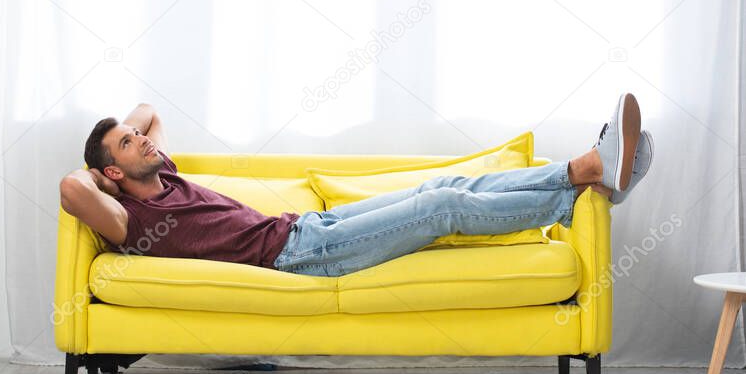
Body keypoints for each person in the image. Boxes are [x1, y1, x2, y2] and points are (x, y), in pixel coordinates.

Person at [59, 94, 653, 277]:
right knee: (442, 207)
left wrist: (122, 140)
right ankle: (590, 176)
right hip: (302, 255)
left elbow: (147, 110)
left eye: (138, 140)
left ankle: (584, 176)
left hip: (308, 229)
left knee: (446, 182)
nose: (144, 141)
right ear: (112, 174)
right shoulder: (129, 221)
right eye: (129, 146)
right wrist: (98, 172)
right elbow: (70, 189)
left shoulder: (164, 174)